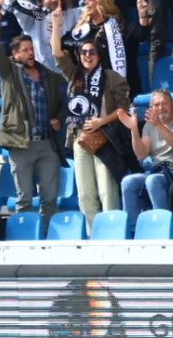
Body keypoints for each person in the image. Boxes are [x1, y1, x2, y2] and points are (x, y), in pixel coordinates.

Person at [53, 22, 130, 225]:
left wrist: (101, 121)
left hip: (106, 137)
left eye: (92, 52)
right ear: (79, 55)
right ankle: (93, 232)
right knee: (85, 193)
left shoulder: (112, 77)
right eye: (84, 52)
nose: (88, 56)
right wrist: (56, 22)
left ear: (99, 55)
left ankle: (112, 230)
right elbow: (57, 54)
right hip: (81, 138)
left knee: (107, 190)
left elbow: (124, 109)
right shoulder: (73, 75)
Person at [0, 31, 66, 218]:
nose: (30, 53)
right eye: (25, 50)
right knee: (24, 201)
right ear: (15, 54)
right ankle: (25, 241)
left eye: (32, 49)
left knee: (50, 200)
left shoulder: (49, 76)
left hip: (47, 144)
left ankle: (48, 241)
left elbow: (63, 103)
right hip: (21, 144)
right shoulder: (9, 72)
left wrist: (58, 119)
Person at [116, 88, 173, 235]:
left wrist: (158, 124)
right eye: (156, 105)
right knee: (128, 181)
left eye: (164, 103)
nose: (161, 108)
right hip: (158, 170)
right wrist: (134, 130)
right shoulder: (149, 125)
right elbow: (141, 154)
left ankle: (164, 229)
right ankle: (134, 232)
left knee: (153, 181)